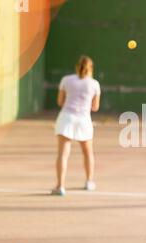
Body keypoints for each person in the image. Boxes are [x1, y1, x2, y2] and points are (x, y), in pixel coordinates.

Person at [52, 55, 101, 196]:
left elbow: (60, 102)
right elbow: (95, 107)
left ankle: (60, 186)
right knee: (88, 152)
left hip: (66, 118)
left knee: (63, 154)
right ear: (91, 69)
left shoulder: (66, 80)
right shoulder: (94, 84)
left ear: (77, 66)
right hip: (83, 120)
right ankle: (89, 182)